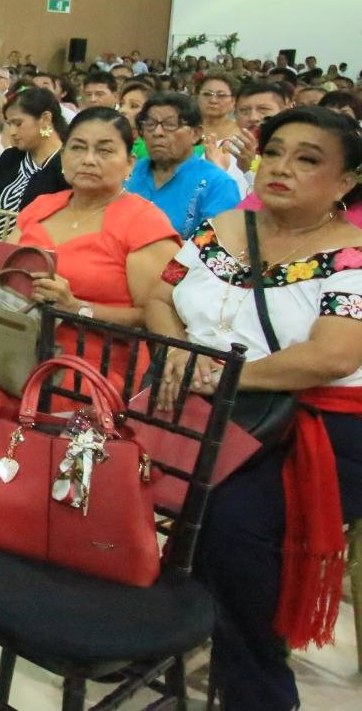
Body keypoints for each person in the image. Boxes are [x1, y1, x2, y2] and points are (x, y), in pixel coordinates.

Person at [150, 106, 362, 711]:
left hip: (314, 424)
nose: (281, 168)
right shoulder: (219, 227)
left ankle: (258, 688)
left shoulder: (352, 258)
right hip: (205, 403)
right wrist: (176, 354)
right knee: (116, 467)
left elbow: (331, 356)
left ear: (345, 183)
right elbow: (161, 293)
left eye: (308, 159)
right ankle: (153, 626)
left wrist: (220, 378)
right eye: (274, 153)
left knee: (228, 521)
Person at [0, 108, 179, 526]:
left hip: (90, 361)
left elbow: (154, 316)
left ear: (131, 162)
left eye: (104, 149)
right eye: (78, 147)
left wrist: (77, 308)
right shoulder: (41, 207)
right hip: (15, 346)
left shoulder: (143, 223)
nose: (88, 159)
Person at [126, 92, 242, 238]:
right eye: (150, 125)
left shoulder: (218, 184)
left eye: (170, 125)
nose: (158, 132)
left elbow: (214, 252)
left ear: (195, 133)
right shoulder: (129, 172)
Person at [0, 86, 70, 238]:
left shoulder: (68, 166)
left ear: (45, 119)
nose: (12, 132)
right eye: (9, 124)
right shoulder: (10, 158)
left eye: (18, 123)